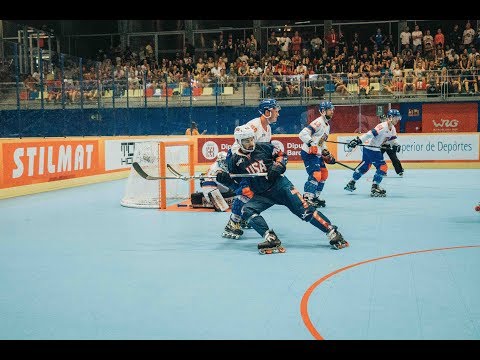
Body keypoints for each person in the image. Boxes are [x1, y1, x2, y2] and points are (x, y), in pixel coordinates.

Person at [216, 124, 349, 253]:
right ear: (239, 142)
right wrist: (227, 180)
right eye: (246, 141)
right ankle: (271, 238)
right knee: (247, 210)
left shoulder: (264, 147)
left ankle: (332, 231)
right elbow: (239, 183)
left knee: (304, 211)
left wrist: (278, 165)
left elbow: (282, 155)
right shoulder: (234, 161)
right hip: (262, 194)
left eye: (252, 139)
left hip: (281, 186)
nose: (251, 143)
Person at [221, 98, 281, 239]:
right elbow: (241, 147)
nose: (278, 113)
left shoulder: (268, 128)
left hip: (250, 160)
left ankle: (242, 215)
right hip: (239, 159)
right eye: (275, 111)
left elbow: (263, 150)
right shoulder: (254, 126)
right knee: (246, 190)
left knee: (253, 190)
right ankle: (233, 222)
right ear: (267, 112)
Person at [344, 109, 402, 197]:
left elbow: (392, 139)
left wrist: (396, 145)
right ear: (390, 118)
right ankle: (375, 187)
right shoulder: (382, 126)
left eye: (398, 117)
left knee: (365, 166)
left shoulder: (392, 128)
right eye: (396, 118)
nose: (398, 119)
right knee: (383, 167)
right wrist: (358, 140)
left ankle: (351, 182)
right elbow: (369, 134)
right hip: (372, 148)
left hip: (368, 148)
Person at [298, 101, 336, 208]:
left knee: (324, 174)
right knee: (316, 174)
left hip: (317, 154)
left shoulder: (327, 125)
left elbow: (320, 143)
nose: (332, 111)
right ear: (323, 111)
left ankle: (315, 196)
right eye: (330, 109)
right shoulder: (318, 122)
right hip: (309, 153)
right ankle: (307, 198)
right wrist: (311, 144)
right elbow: (303, 134)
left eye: (333, 109)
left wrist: (325, 151)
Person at [379, 112, 404, 176]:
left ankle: (400, 171)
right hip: (381, 145)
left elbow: (393, 138)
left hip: (389, 145)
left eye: (384, 119)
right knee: (379, 158)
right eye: (381, 119)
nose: (383, 120)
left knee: (394, 158)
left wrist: (396, 144)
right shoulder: (380, 127)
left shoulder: (392, 127)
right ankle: (383, 171)